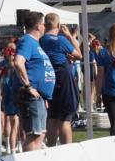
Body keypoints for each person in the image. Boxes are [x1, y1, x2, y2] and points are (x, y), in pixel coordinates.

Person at [12, 12, 56, 152]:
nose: (45, 27)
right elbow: (18, 62)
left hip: (40, 97)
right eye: (44, 24)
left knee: (40, 134)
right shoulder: (27, 41)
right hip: (32, 96)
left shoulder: (35, 43)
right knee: (34, 136)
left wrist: (44, 95)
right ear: (38, 26)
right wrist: (28, 86)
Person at [41, 13, 82, 146]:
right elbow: (79, 54)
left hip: (49, 79)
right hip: (64, 80)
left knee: (52, 118)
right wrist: (69, 36)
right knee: (65, 119)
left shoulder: (41, 41)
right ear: (58, 25)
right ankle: (67, 150)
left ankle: (51, 147)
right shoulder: (61, 40)